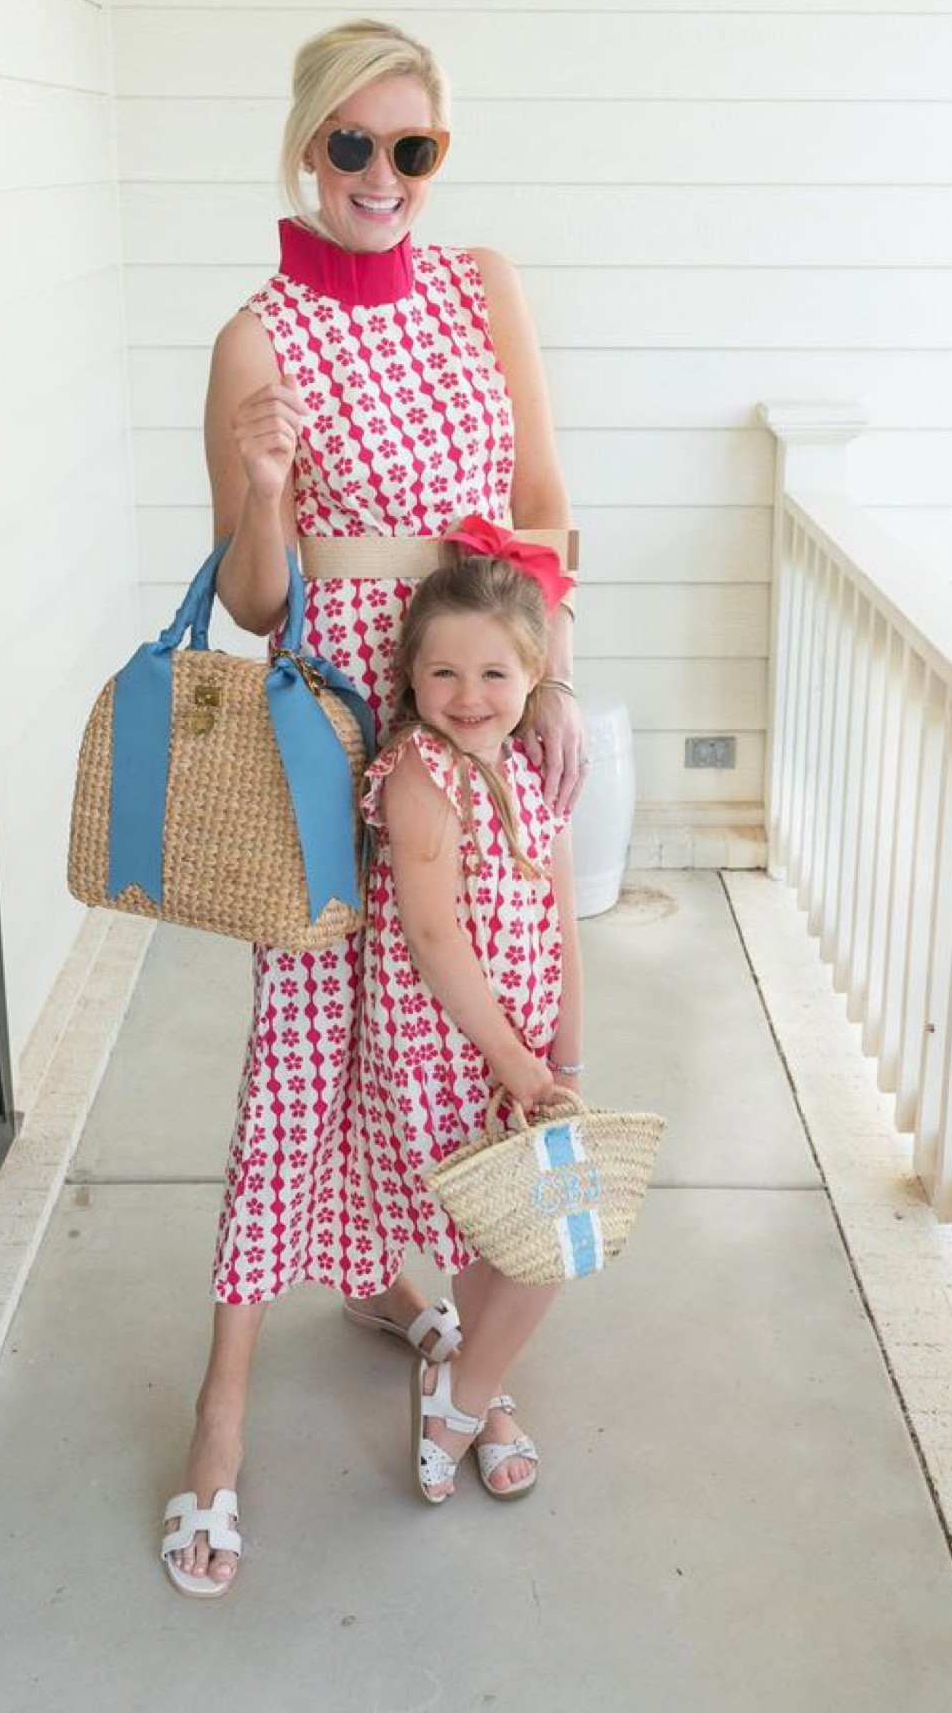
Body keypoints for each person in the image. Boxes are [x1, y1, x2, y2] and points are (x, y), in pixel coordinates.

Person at [163, 21, 584, 1592]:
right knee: (301, 1042)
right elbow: (258, 601)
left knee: (474, 1030)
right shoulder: (255, 337)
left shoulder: (482, 286)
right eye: (352, 143)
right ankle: (219, 1420)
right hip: (335, 721)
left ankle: (464, 1344)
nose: (382, 174)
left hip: (480, 701)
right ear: (306, 148)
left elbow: (540, 508)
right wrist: (269, 489)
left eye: (413, 147)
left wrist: (547, 696)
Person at [354, 541, 585, 1504]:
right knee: (526, 1230)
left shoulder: (526, 769)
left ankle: (467, 1386)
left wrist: (566, 1054)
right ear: (410, 676)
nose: (469, 694)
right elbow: (434, 936)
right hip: (450, 1050)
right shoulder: (422, 775)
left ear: (533, 675)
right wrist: (516, 1064)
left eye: (494, 672)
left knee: (541, 1234)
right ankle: (471, 1399)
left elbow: (563, 920)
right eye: (443, 672)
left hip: (523, 1051)